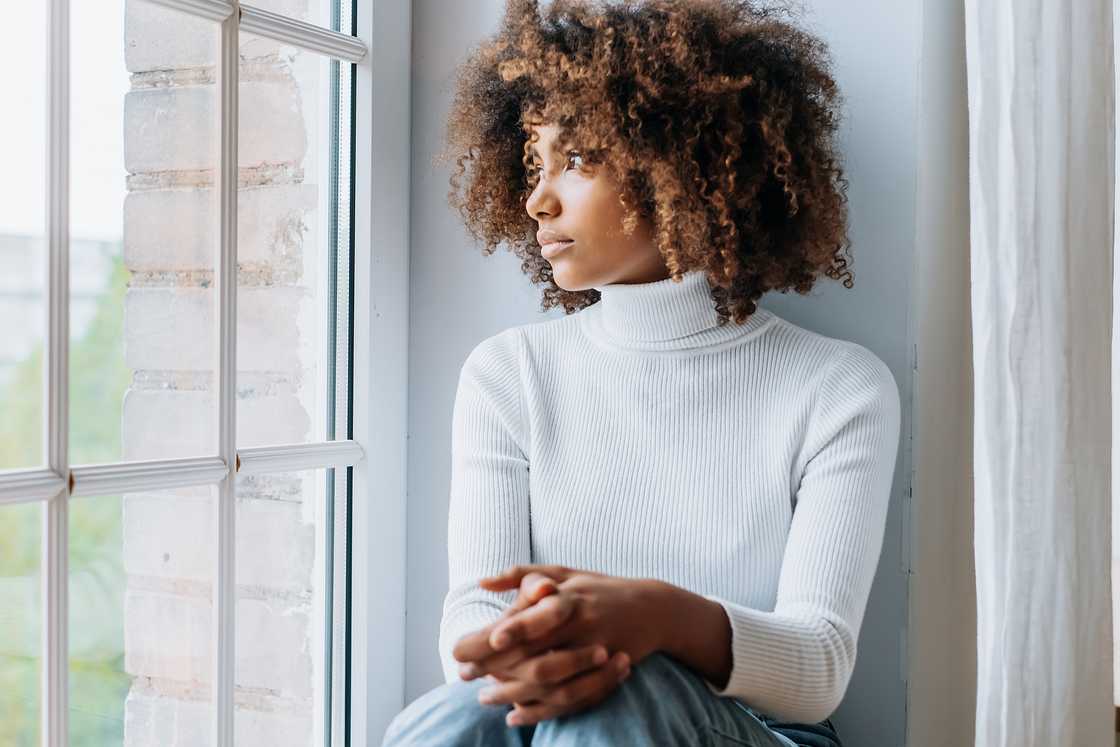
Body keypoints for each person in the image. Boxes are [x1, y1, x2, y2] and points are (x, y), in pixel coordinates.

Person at [385, 0, 901, 744]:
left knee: (622, 696)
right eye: (535, 162)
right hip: (544, 711)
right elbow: (471, 629)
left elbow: (817, 670)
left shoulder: (838, 388)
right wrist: (573, 648)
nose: (539, 198)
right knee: (460, 714)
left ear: (684, 166)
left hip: (762, 730)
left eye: (580, 158)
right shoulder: (509, 374)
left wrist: (656, 618)